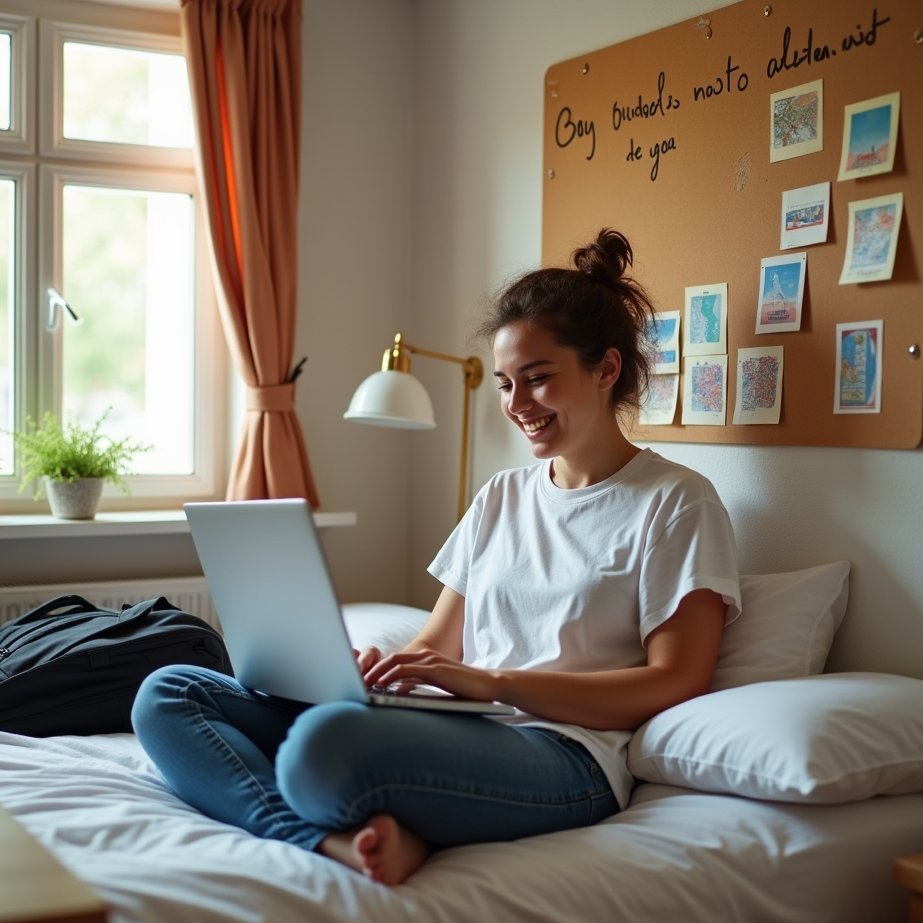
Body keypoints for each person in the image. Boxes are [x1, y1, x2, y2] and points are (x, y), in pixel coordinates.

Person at [131, 227, 741, 886]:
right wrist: (381, 671)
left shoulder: (677, 502)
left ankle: (364, 817)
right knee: (168, 694)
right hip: (460, 727)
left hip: (564, 754)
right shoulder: (503, 495)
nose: (517, 406)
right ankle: (331, 839)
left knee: (320, 750)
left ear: (606, 370)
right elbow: (435, 642)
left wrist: (494, 682)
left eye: (537, 380)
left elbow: (674, 682)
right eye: (506, 385)